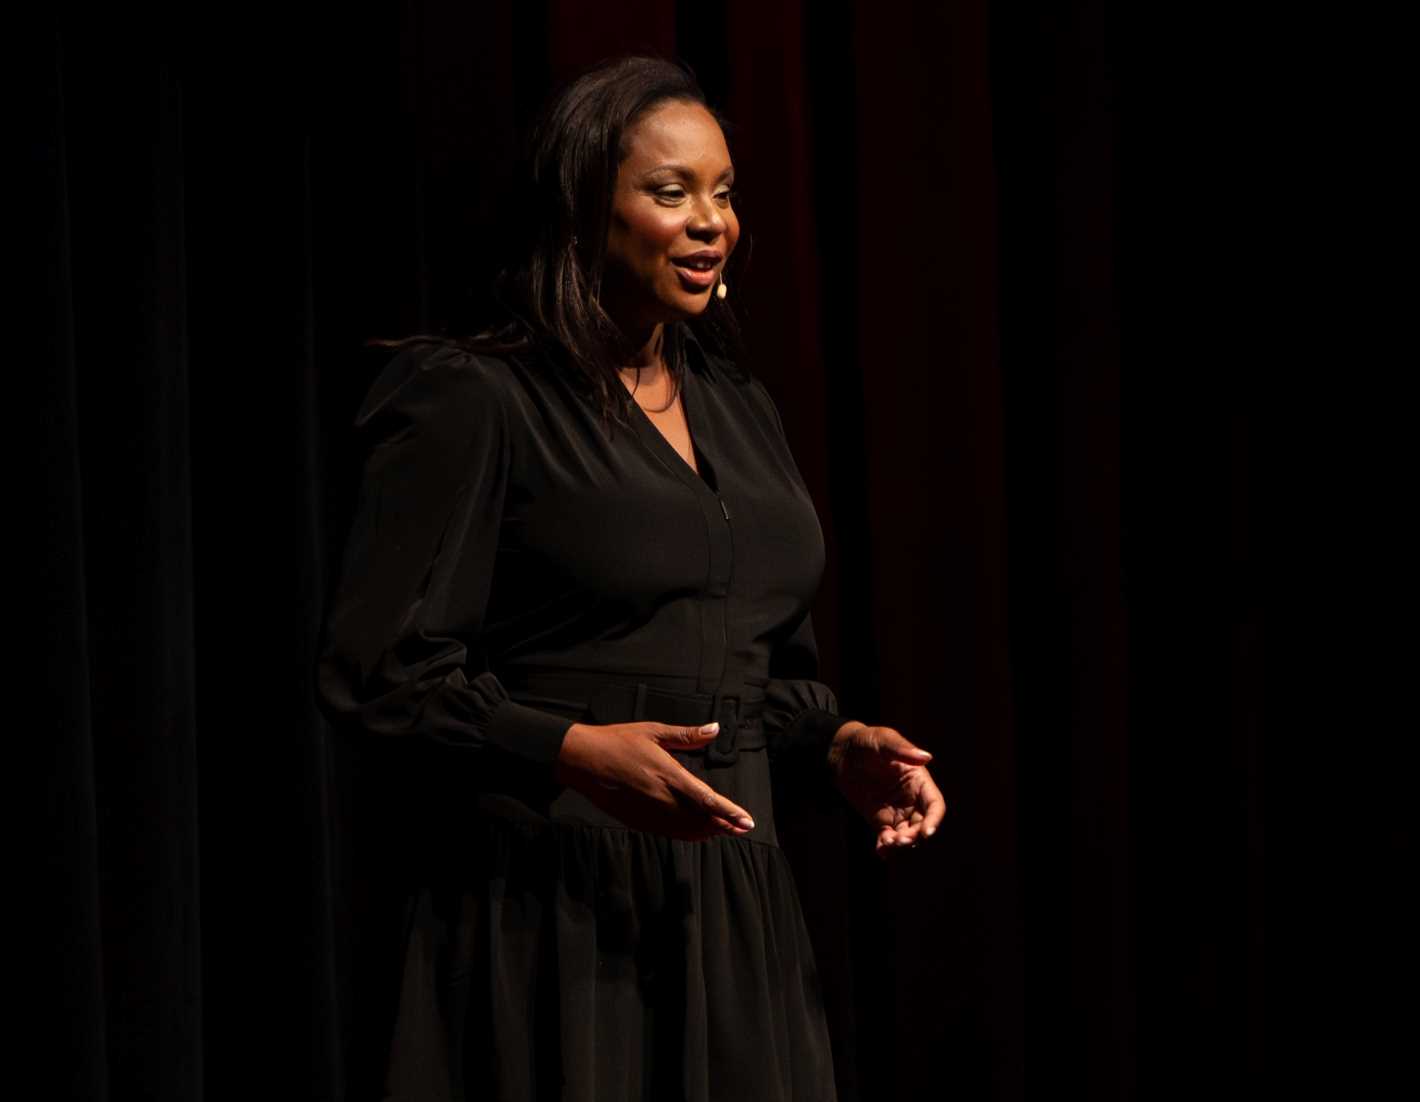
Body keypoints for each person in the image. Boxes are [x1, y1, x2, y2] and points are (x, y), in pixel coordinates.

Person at [314, 55, 947, 1101]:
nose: (711, 221)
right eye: (671, 193)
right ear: (580, 210)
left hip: (737, 911)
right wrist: (567, 749)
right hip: (554, 909)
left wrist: (838, 744)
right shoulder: (476, 396)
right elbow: (375, 669)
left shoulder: (738, 405)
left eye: (725, 192)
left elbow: (758, 669)